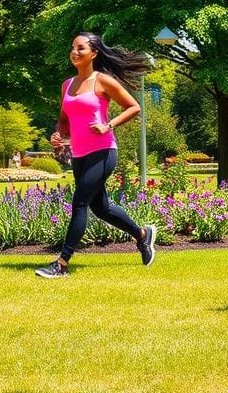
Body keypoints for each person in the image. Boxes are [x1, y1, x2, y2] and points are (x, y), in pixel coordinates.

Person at [35, 32, 157, 278]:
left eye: (81, 48)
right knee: (101, 207)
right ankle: (142, 235)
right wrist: (57, 135)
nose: (75, 52)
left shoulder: (102, 81)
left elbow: (133, 106)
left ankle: (61, 264)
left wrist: (108, 125)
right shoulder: (67, 85)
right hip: (79, 154)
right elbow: (63, 121)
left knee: (79, 202)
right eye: (73, 48)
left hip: (103, 151)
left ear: (94, 53)